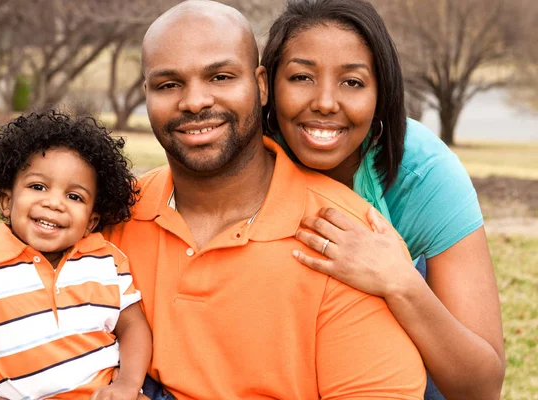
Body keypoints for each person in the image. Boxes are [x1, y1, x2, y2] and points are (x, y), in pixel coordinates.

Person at [105, 1, 426, 399]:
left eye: (220, 76)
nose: (195, 101)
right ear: (147, 95)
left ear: (260, 86)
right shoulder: (111, 217)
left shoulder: (347, 240)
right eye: (169, 84)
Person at [260, 0, 505, 399]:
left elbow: (482, 388)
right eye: (302, 77)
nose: (324, 101)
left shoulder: (424, 173)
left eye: (352, 82)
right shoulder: (246, 159)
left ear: (381, 94)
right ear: (266, 86)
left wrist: (400, 282)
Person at [0, 110, 152, 400]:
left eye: (74, 196)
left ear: (90, 221)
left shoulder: (106, 260)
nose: (54, 203)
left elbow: (132, 325)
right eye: (38, 186)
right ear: (7, 200)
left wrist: (127, 384)